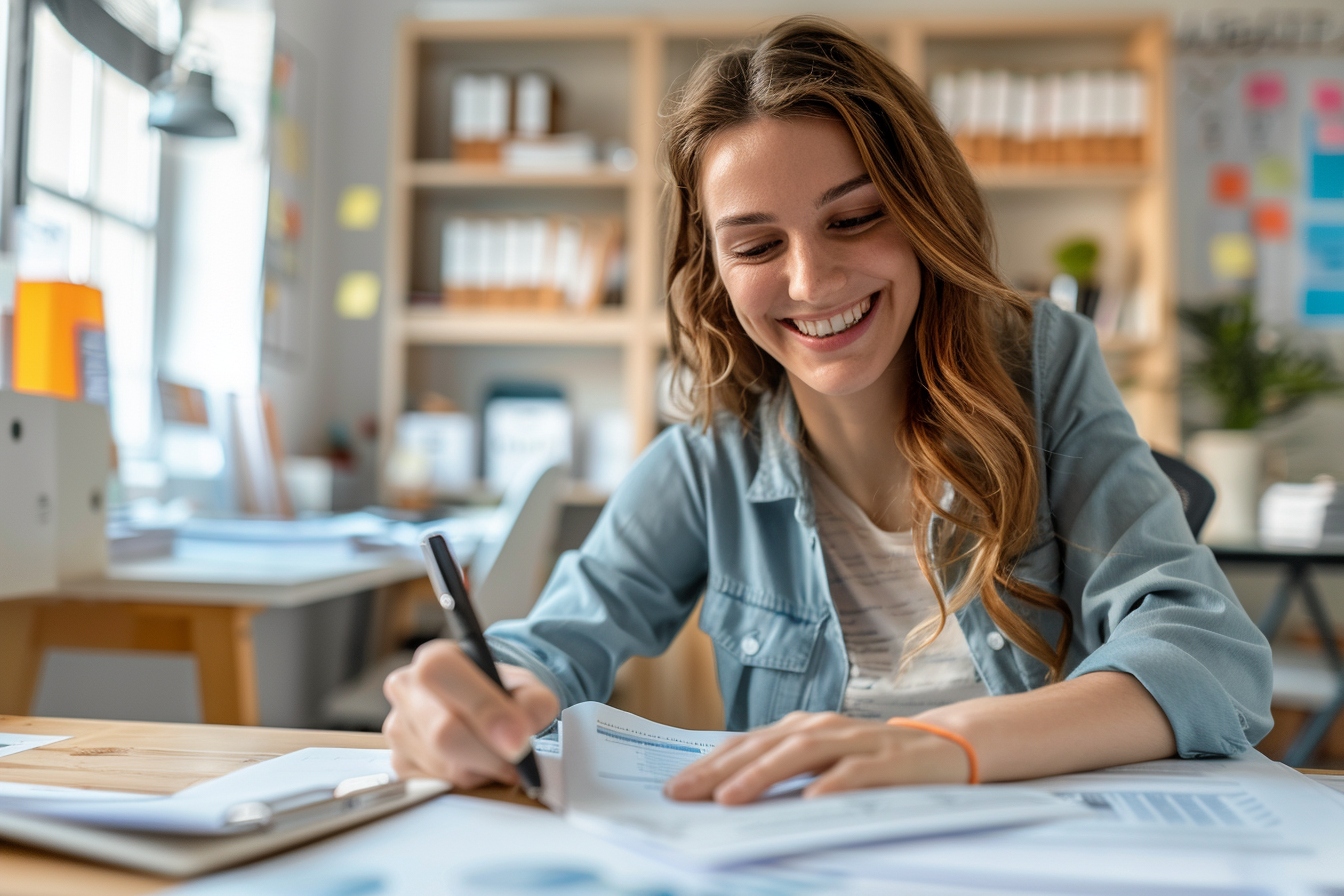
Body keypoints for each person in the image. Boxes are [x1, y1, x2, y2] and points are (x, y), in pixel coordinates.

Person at [383, 16, 1272, 804]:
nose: (810, 282)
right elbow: (557, 638)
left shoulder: (1045, 367)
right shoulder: (712, 457)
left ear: (926, 214)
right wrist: (481, 694)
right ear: (716, 274)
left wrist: (932, 748)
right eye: (759, 244)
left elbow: (1210, 658)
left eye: (854, 219)